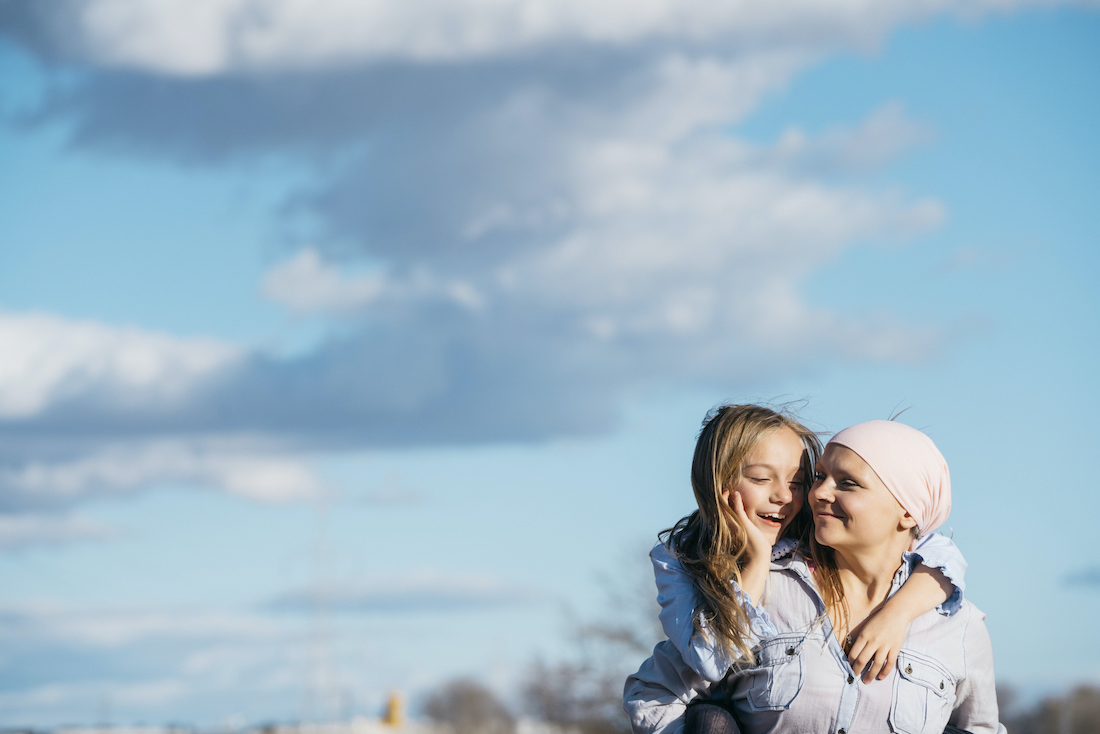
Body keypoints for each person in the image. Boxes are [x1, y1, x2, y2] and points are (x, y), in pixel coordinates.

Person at [624, 416, 1003, 734]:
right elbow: (657, 692)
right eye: (819, 476)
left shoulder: (958, 624)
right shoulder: (757, 590)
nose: (818, 493)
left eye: (848, 483)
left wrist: (898, 613)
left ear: (908, 512)